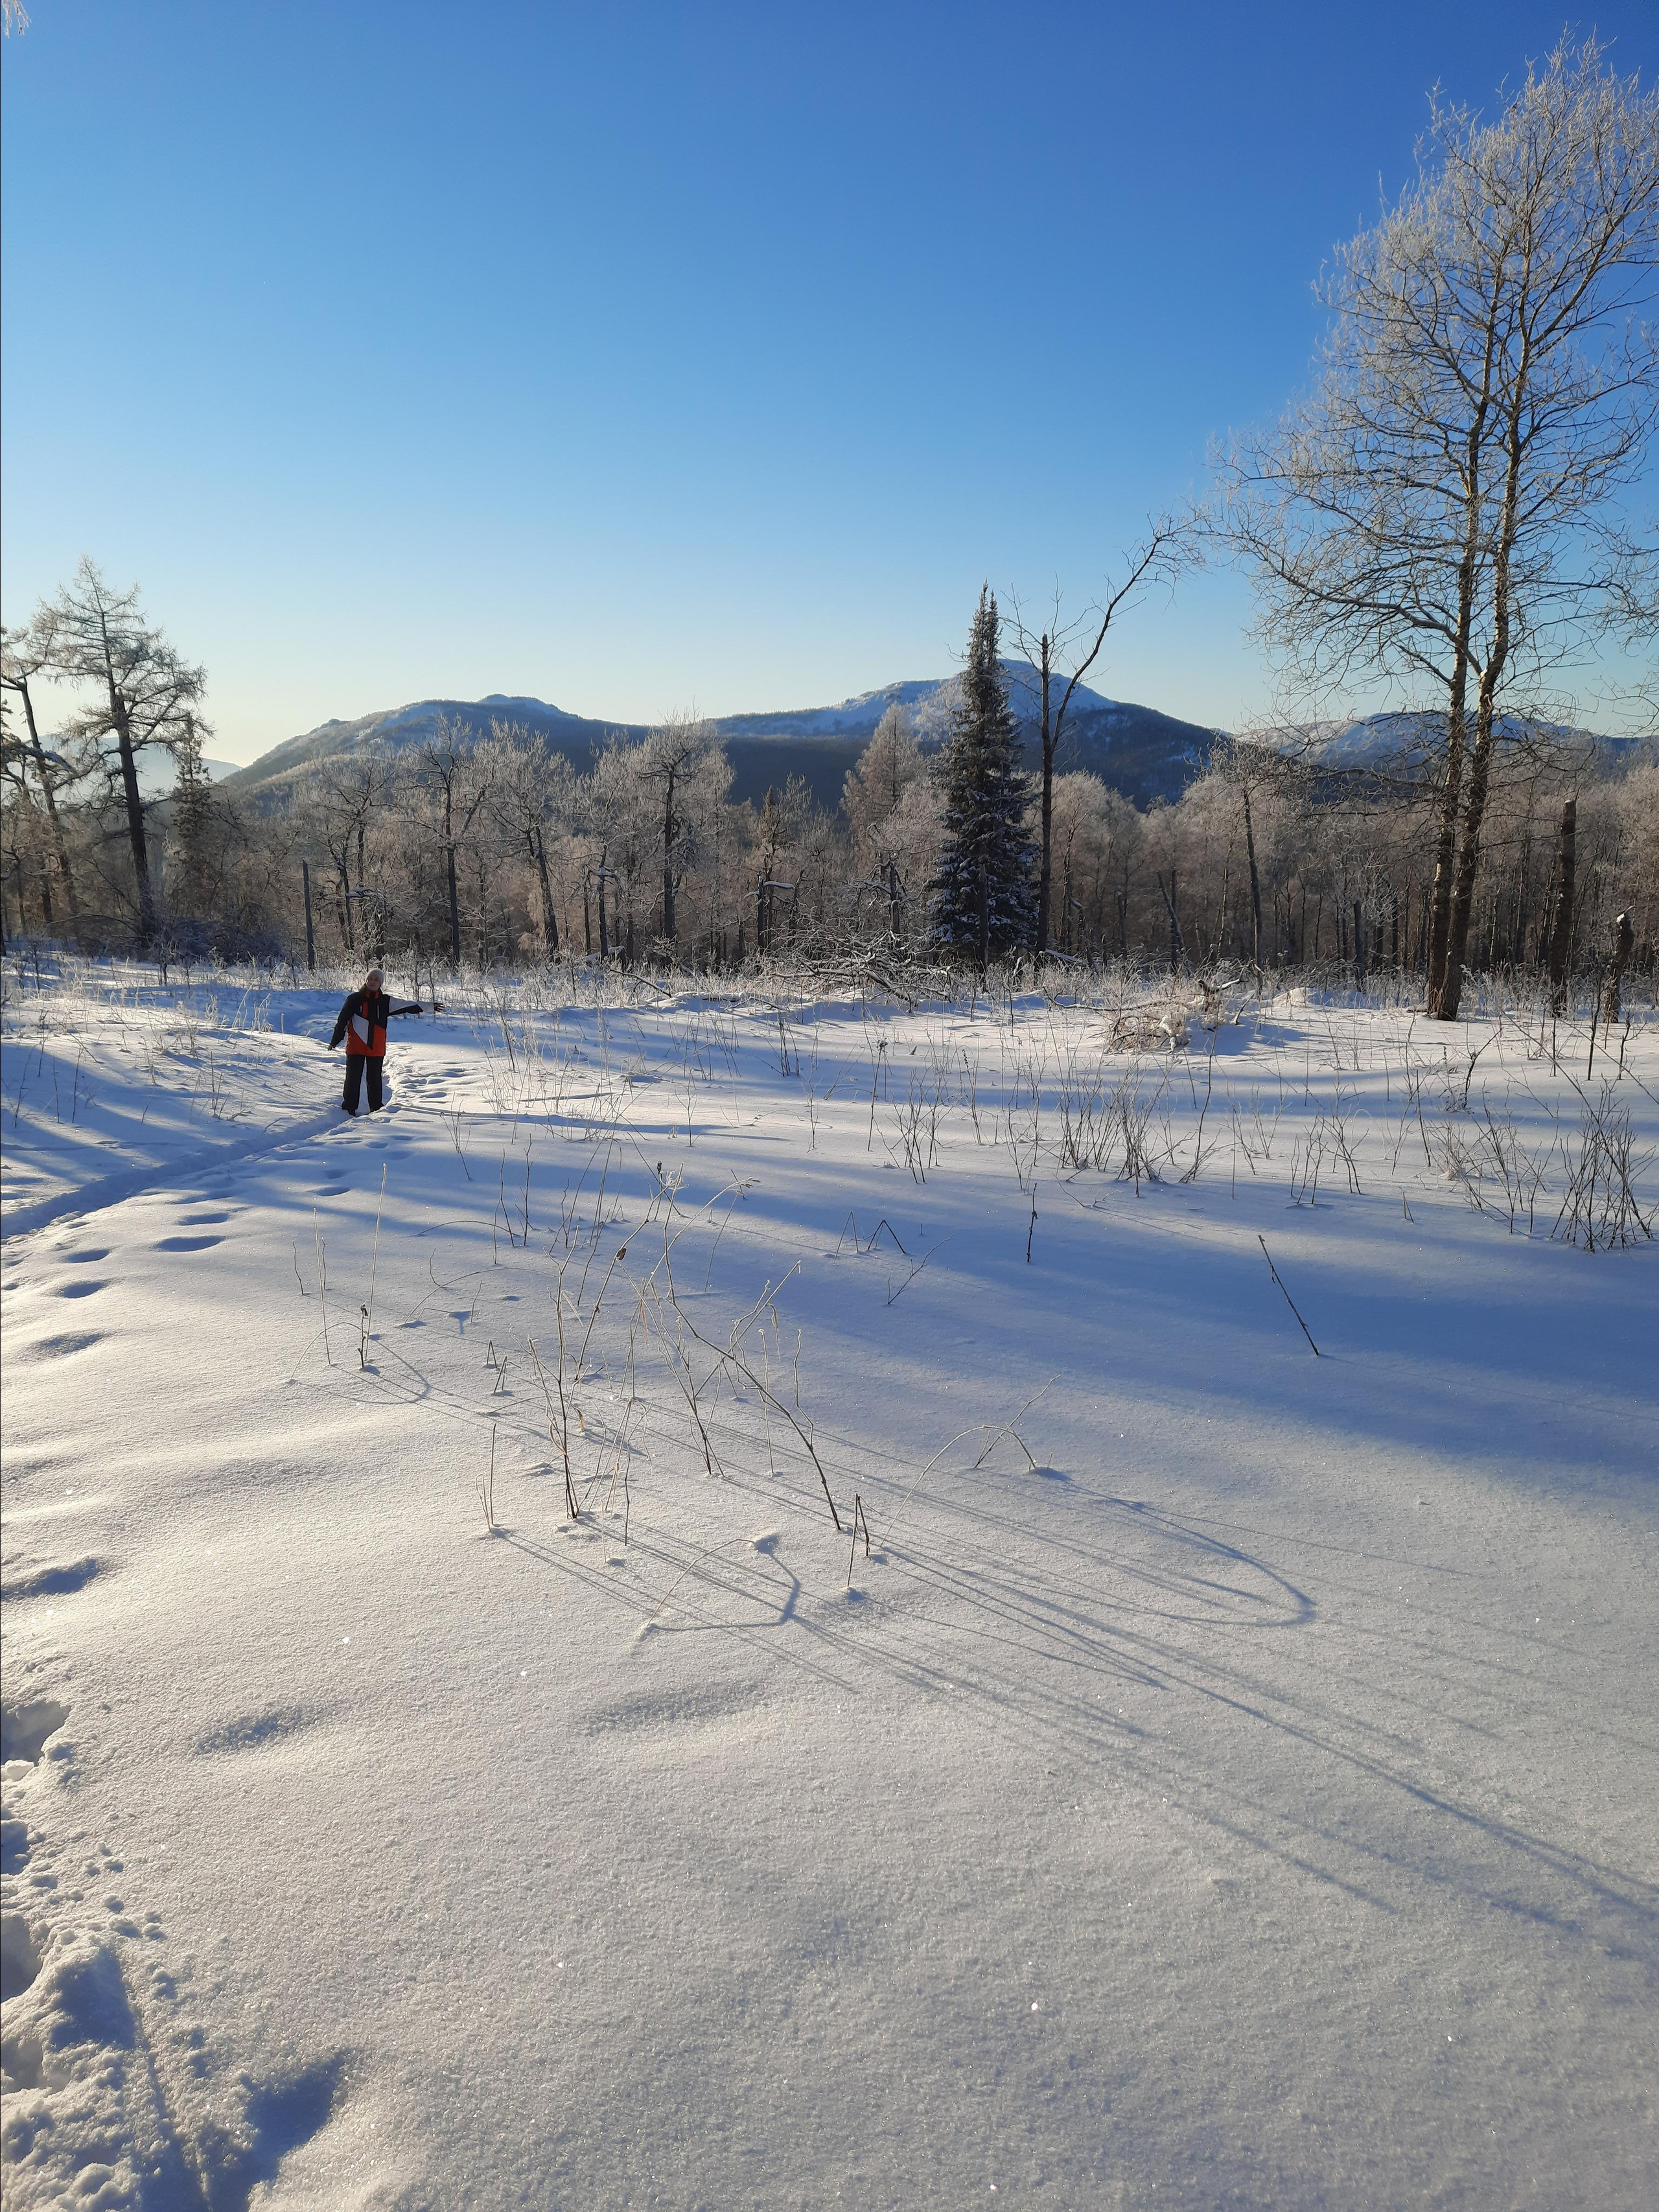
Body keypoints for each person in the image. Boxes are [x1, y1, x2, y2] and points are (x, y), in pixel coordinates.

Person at [327, 968, 423, 1115]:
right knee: (352, 1079)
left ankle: (376, 1109)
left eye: (376, 980)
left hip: (376, 1048)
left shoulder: (386, 1002)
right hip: (355, 1046)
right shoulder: (354, 999)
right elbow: (342, 1021)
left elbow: (408, 1005)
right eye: (370, 979)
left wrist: (430, 1006)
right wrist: (335, 1040)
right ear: (366, 981)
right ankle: (349, 1109)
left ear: (380, 983)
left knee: (375, 1080)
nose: (372, 982)